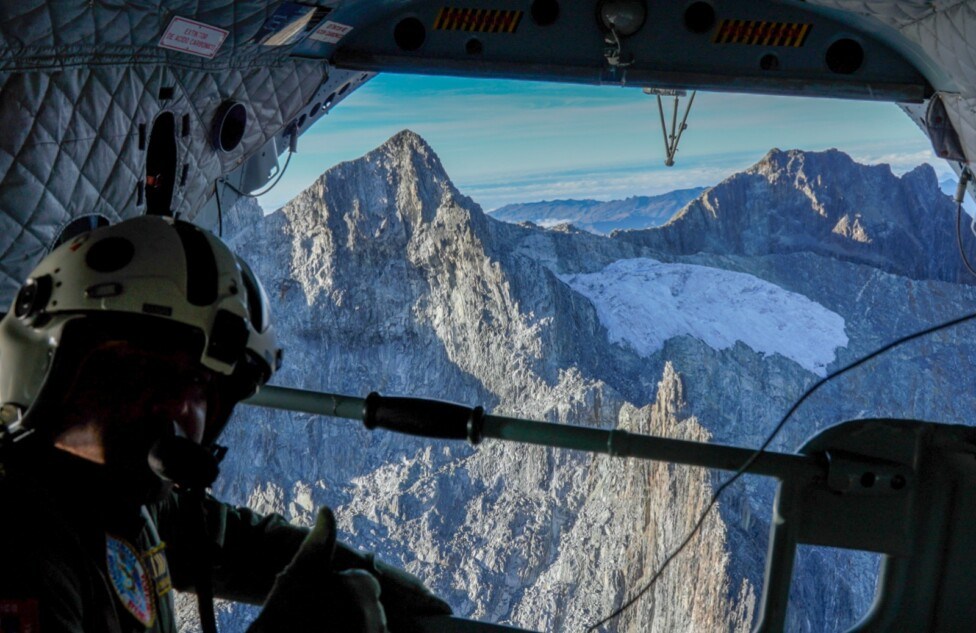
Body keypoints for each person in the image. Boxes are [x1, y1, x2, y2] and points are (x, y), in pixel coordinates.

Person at [0, 215, 452, 632]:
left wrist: (363, 576)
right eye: (148, 374)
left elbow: (235, 544)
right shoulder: (21, 544)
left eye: (201, 388)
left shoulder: (125, 504)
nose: (180, 407)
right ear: (52, 370)